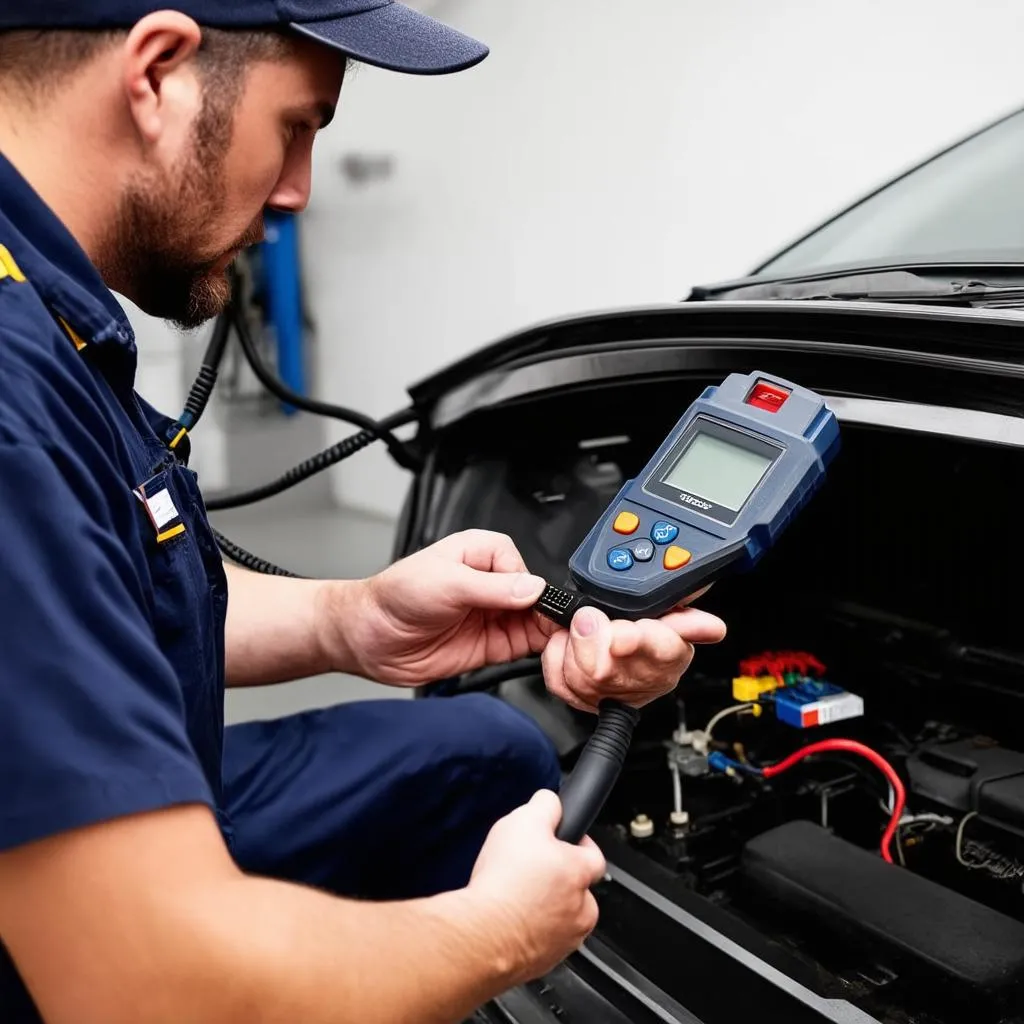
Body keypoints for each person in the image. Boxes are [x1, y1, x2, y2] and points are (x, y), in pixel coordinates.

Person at [0, 3, 728, 1021]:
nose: (295, 191)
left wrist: (352, 619)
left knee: (487, 754)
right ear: (157, 74)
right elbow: (154, 987)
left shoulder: (43, 303)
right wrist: (492, 933)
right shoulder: (11, 398)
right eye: (297, 125)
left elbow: (99, 578)